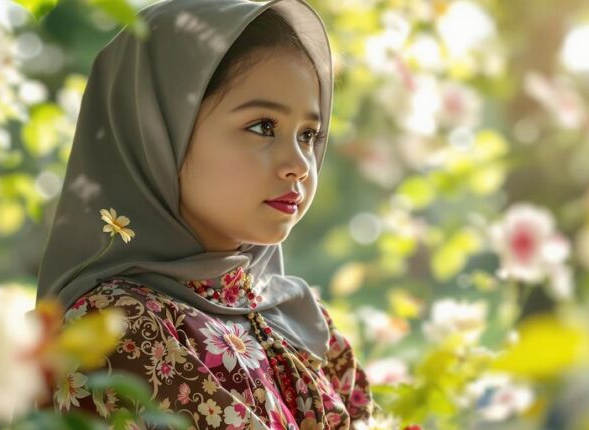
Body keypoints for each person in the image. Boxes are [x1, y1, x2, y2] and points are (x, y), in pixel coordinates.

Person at [34, 0, 379, 428]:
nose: (300, 164)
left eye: (309, 134)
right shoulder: (116, 326)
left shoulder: (293, 313)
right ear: (158, 133)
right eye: (263, 126)